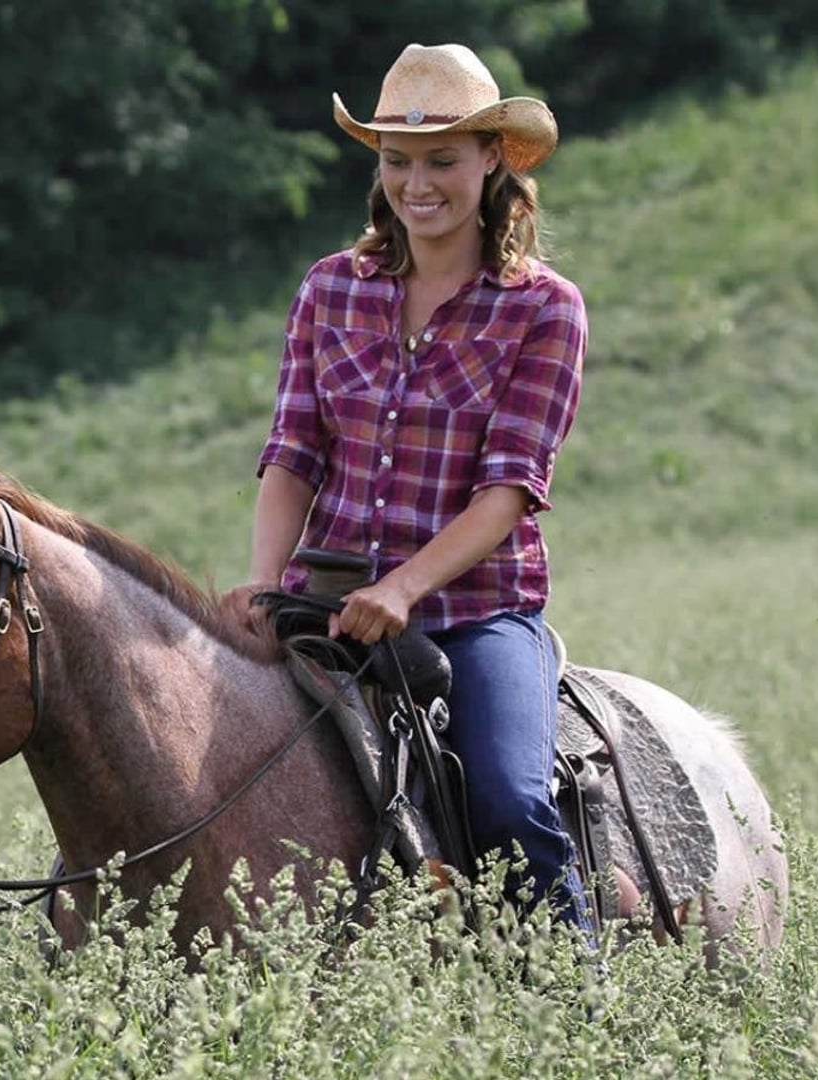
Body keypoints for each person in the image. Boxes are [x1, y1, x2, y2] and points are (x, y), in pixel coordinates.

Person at [242, 43, 592, 938]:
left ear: (492, 161)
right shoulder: (331, 289)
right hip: (324, 599)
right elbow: (292, 455)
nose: (418, 183)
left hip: (478, 611)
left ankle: (581, 1001)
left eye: (442, 159)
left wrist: (402, 588)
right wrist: (266, 585)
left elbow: (510, 489)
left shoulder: (544, 309)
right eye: (398, 161)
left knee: (511, 803)